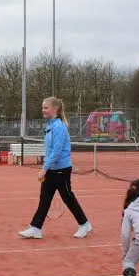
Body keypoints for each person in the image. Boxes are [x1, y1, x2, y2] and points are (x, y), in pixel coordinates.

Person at [18, 97, 92, 240]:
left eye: (46, 108)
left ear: (55, 109)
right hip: (51, 169)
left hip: (62, 170)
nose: (43, 110)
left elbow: (57, 151)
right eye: (42, 107)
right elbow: (50, 150)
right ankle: (36, 228)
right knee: (44, 199)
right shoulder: (50, 126)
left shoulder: (59, 127)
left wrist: (44, 168)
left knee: (68, 198)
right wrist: (47, 167)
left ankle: (85, 224)